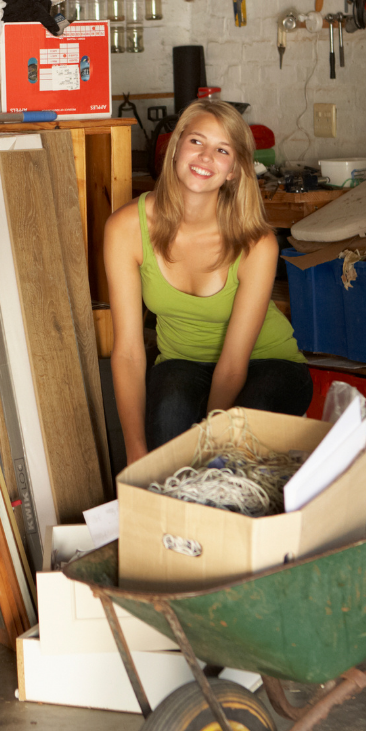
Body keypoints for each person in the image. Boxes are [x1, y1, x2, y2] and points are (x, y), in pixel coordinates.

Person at [105, 99, 312, 463]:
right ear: (175, 148)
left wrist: (212, 446)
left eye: (221, 150)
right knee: (168, 422)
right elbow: (127, 351)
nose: (205, 158)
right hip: (181, 362)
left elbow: (233, 363)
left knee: (242, 436)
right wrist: (136, 454)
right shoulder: (126, 229)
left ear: (234, 170)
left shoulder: (255, 243)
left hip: (266, 363)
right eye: (196, 142)